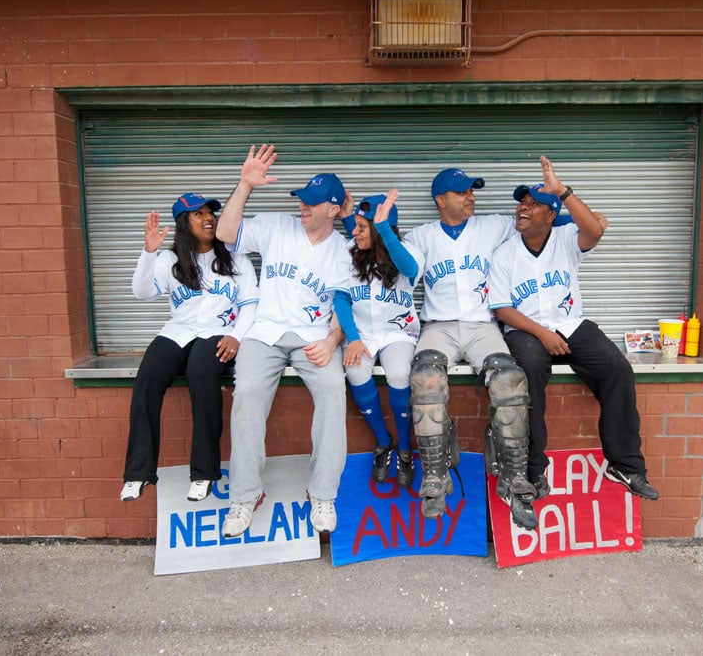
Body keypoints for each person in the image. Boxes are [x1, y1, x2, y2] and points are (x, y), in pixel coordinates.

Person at [404, 167, 570, 530]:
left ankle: (514, 480)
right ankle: (435, 476)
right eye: (463, 192)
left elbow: (549, 223)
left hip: (483, 324)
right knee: (425, 378)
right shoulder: (421, 236)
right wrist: (384, 227)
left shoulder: (494, 225)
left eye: (472, 191)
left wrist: (569, 205)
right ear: (441, 200)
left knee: (509, 380)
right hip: (439, 325)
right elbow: (402, 268)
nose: (471, 197)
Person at [488, 156, 659, 504]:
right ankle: (534, 466)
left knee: (616, 368)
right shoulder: (505, 253)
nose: (523, 208)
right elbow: (503, 308)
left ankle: (624, 464)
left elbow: (595, 229)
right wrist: (542, 334)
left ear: (550, 215)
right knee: (529, 371)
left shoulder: (566, 236)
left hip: (571, 324)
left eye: (534, 204)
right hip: (525, 329)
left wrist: (562, 191)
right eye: (522, 202)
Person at [214, 144, 350, 537]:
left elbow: (345, 308)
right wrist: (244, 185)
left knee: (331, 391)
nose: (303, 208)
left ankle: (322, 494)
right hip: (265, 332)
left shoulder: (343, 252)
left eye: (312, 203)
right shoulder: (276, 225)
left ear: (334, 209)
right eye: (302, 201)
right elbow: (225, 233)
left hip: (314, 339)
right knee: (248, 394)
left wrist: (331, 341)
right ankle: (244, 495)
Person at [120, 193, 259, 503]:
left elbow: (250, 304)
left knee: (200, 373)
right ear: (184, 222)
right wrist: (148, 252)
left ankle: (204, 473)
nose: (208, 218)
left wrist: (237, 336)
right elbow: (141, 293)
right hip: (179, 331)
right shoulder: (169, 260)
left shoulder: (236, 259)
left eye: (211, 213)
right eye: (199, 214)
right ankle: (138, 473)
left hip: (219, 332)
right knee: (148, 378)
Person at [333, 189, 425, 487]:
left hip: (397, 331)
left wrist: (384, 230)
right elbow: (341, 299)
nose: (354, 232)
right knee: (356, 371)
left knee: (399, 373)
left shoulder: (407, 249)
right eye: (355, 226)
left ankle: (405, 448)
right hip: (361, 333)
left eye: (362, 227)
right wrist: (354, 338)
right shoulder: (349, 252)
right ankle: (384, 442)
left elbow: (410, 269)